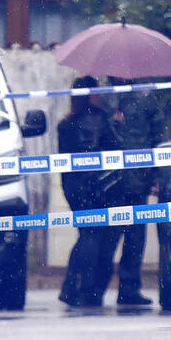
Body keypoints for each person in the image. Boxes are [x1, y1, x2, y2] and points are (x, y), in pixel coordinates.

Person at [57, 76, 123, 307]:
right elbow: (117, 148)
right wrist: (117, 125)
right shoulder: (102, 119)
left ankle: (71, 287)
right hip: (98, 188)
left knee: (86, 234)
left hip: (73, 187)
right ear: (91, 94)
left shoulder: (65, 124)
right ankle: (87, 290)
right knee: (95, 236)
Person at [108, 79, 166, 305]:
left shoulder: (145, 99)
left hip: (134, 180)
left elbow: (158, 138)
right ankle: (101, 288)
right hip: (117, 181)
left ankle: (127, 289)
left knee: (132, 237)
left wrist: (157, 173)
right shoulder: (107, 98)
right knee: (112, 237)